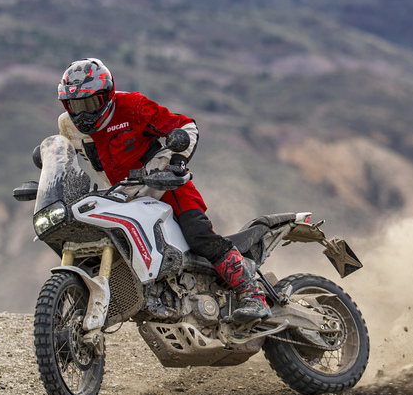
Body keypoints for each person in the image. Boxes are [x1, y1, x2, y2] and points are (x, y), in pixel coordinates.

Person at [55, 57, 270, 321]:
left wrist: (177, 162)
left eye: (89, 104)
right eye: (75, 105)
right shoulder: (67, 125)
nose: (82, 114)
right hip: (121, 194)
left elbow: (185, 126)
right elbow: (65, 159)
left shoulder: (133, 106)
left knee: (198, 233)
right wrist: (54, 180)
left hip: (164, 183)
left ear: (107, 95)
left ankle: (253, 295)